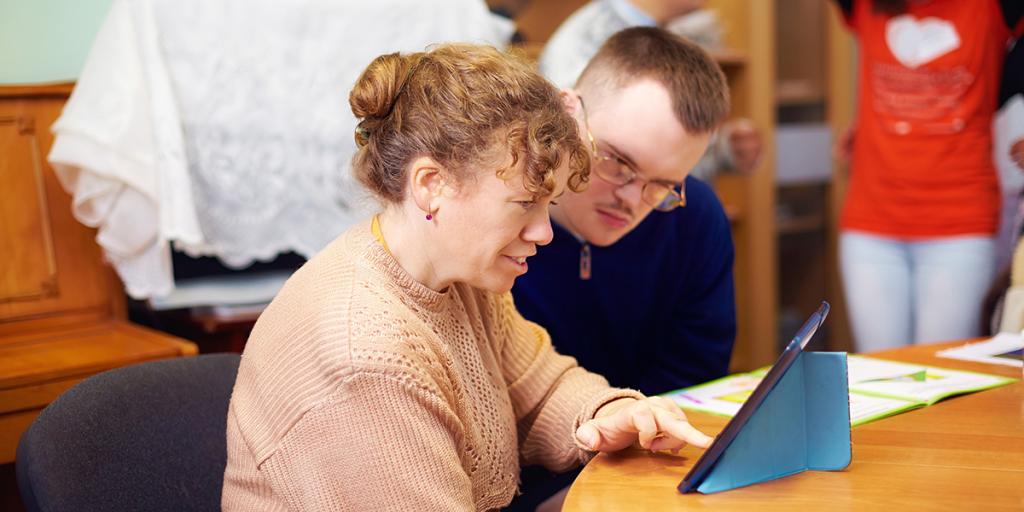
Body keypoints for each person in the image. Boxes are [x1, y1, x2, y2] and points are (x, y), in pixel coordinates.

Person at [220, 43, 713, 511]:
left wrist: (608, 414)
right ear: (432, 185)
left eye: (549, 205)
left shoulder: (460, 278)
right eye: (525, 204)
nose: (543, 233)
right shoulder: (365, 359)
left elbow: (540, 389)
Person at [507, 27, 732, 511]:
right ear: (568, 111)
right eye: (615, 161)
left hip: (648, 471)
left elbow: (695, 380)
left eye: (662, 185)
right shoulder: (497, 223)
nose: (631, 199)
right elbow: (489, 416)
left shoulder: (695, 218)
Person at [834, 0, 1023, 351]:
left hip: (959, 225)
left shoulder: (992, 7)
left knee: (941, 374)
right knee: (878, 375)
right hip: (871, 225)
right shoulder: (866, 5)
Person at [539, 0, 762, 181]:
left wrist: (721, 149)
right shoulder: (586, 41)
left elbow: (656, 162)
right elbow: (573, 159)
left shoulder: (671, 32)